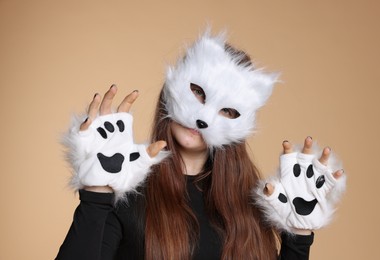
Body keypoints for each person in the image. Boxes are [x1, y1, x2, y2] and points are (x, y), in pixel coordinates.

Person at [56, 32, 345, 260]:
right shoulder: (128, 192)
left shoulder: (251, 202)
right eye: (197, 92)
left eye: (227, 110)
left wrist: (298, 234)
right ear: (173, 88)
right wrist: (96, 192)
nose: (203, 117)